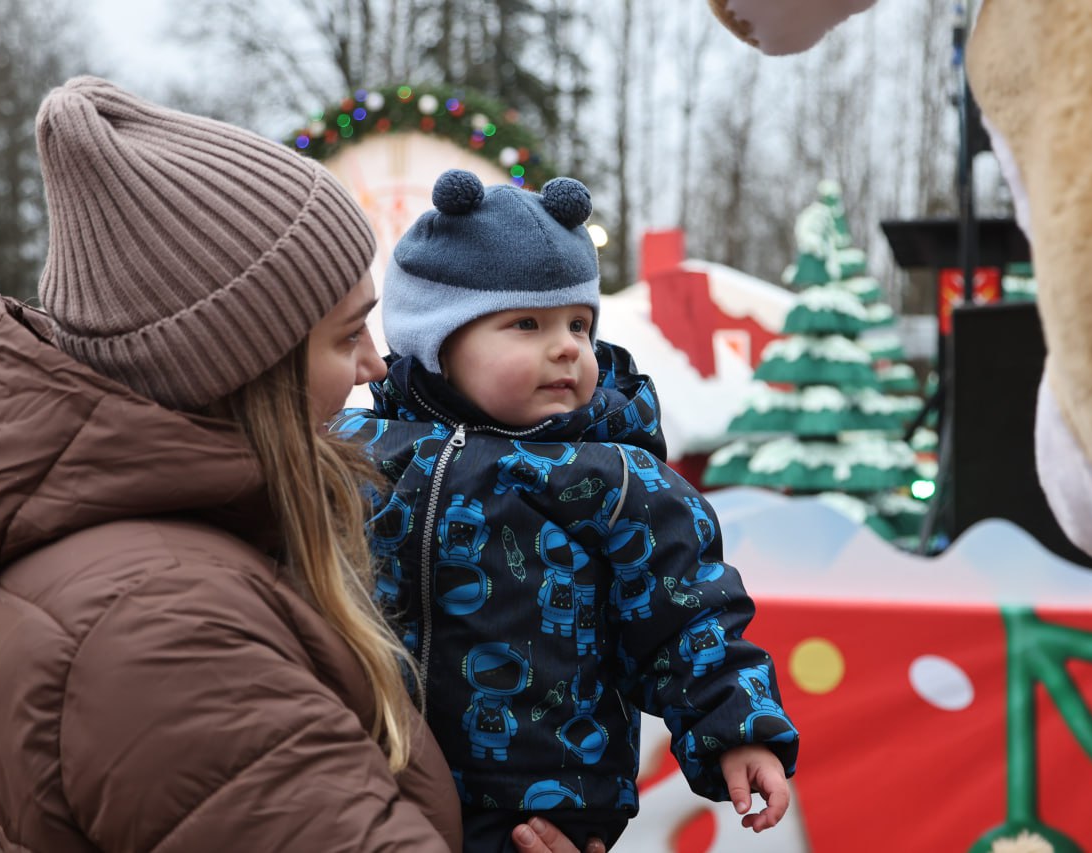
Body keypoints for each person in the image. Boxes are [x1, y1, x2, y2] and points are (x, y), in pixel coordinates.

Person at [0, 76, 598, 853]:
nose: (374, 363)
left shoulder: (150, 562)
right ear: (239, 362)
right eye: (345, 334)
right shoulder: (160, 629)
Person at [334, 169, 800, 852]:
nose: (567, 347)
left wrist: (738, 727)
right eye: (526, 323)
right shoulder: (359, 453)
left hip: (539, 800)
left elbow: (690, 613)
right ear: (437, 338)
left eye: (579, 323)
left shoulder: (616, 477)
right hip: (371, 769)